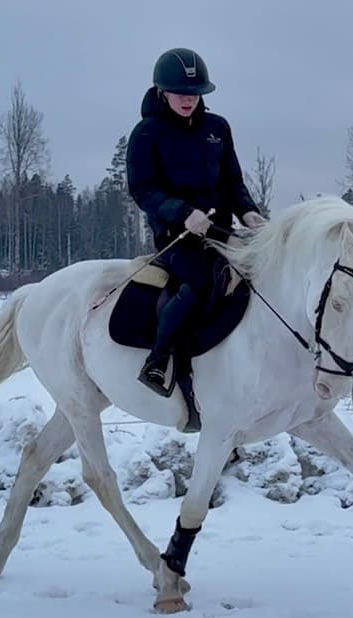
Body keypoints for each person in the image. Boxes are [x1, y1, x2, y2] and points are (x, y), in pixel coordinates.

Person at [126, 47, 265, 396]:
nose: (188, 100)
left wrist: (248, 211)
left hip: (221, 231)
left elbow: (232, 182)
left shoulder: (217, 128)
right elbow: (143, 190)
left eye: (194, 93)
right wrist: (183, 213)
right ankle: (158, 362)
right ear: (162, 91)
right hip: (177, 238)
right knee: (201, 282)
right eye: (180, 93)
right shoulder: (146, 134)